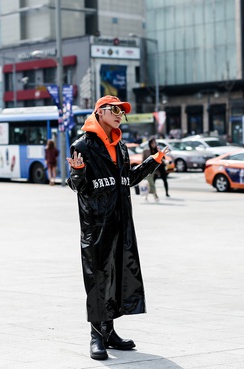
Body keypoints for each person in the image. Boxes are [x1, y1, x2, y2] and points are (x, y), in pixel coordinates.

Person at [67, 95, 170, 361]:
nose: (118, 115)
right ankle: (96, 336)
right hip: (97, 225)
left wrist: (154, 161)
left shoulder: (120, 146)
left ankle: (110, 332)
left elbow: (129, 179)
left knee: (117, 276)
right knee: (98, 278)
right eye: (114, 110)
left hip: (121, 222)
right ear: (99, 112)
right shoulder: (83, 145)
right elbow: (78, 186)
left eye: (121, 112)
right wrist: (77, 172)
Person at [142, 137, 161, 202]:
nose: (154, 144)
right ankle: (155, 196)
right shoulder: (146, 151)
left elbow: (160, 160)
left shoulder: (156, 151)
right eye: (153, 143)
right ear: (150, 143)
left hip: (155, 171)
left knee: (149, 184)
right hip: (148, 170)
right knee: (151, 183)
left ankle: (146, 197)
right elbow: (143, 161)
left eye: (155, 143)